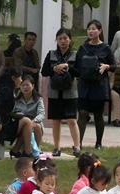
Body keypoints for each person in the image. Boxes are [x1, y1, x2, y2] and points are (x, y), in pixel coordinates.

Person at [76, 20, 116, 150]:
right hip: (85, 85)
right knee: (82, 113)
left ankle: (98, 143)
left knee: (98, 115)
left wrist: (107, 66)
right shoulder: (83, 48)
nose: (91, 31)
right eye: (89, 29)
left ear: (100, 31)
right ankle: (78, 143)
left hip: (99, 86)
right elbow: (76, 67)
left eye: (93, 29)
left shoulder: (106, 48)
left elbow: (114, 66)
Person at [41, 28, 81, 157]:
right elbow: (44, 71)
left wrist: (67, 66)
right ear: (56, 41)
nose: (63, 41)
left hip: (70, 92)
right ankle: (57, 147)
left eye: (65, 38)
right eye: (60, 39)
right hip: (54, 92)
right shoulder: (51, 54)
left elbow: (79, 72)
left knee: (71, 120)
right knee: (56, 120)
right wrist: (54, 69)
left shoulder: (75, 55)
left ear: (70, 40)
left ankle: (76, 146)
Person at [9, 75, 44, 158]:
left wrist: (35, 121)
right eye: (23, 85)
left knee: (37, 126)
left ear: (33, 86)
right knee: (26, 124)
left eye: (27, 85)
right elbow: (12, 113)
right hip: (21, 123)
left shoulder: (38, 99)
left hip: (34, 123)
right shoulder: (17, 100)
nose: (25, 87)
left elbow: (41, 114)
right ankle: (24, 151)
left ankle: (35, 150)